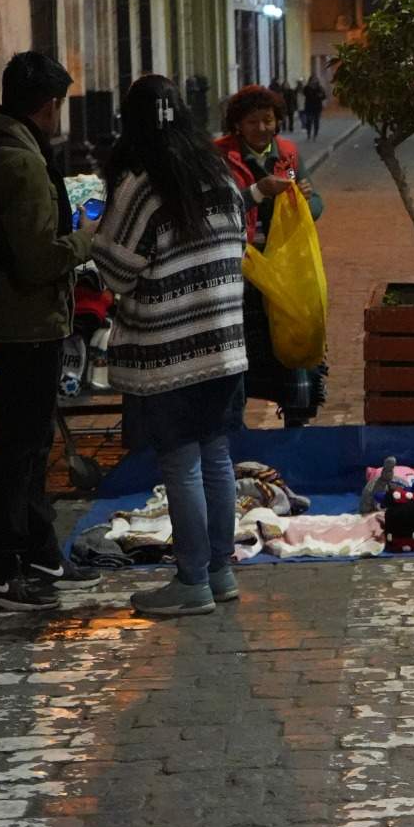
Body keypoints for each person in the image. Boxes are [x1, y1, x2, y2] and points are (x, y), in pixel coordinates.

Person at [93, 75, 249, 615]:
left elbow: (114, 270)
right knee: (217, 458)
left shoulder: (142, 186)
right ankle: (221, 573)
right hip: (225, 347)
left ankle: (191, 583)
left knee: (181, 464)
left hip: (170, 354)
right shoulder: (220, 174)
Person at [0, 52, 104, 610]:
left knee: (31, 440)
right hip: (24, 324)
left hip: (19, 320)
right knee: (15, 447)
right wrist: (86, 234)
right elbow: (39, 258)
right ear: (47, 106)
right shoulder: (17, 162)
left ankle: (38, 552)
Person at [216, 86, 326, 427]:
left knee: (291, 336)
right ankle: (235, 424)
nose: (262, 128)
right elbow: (218, 206)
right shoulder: (220, 156)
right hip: (240, 264)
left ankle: (297, 417)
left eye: (268, 120)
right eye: (252, 122)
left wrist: (305, 199)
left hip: (283, 267)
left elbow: (317, 203)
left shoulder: (288, 155)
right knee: (242, 349)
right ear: (238, 124)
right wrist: (258, 192)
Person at [302, 76, 327, 140]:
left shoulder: (320, 88)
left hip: (317, 107)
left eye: (315, 80)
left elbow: (324, 96)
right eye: (313, 80)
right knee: (309, 121)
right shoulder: (307, 88)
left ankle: (315, 135)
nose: (314, 81)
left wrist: (319, 95)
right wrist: (318, 96)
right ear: (310, 81)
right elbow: (307, 95)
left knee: (316, 121)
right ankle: (309, 134)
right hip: (309, 107)